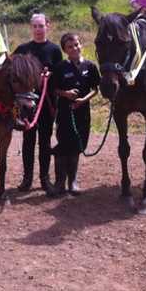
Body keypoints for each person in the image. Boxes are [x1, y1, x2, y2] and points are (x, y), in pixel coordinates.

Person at [13, 13, 62, 194]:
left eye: (41, 26)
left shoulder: (55, 50)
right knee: (28, 140)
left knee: (45, 140)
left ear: (48, 25)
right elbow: (13, 72)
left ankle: (44, 179)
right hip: (27, 104)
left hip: (47, 103)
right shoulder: (22, 49)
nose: (38, 29)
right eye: (35, 26)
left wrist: (51, 76)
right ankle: (27, 179)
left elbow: (60, 73)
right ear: (31, 27)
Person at [51, 33, 100, 196]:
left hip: (83, 113)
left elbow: (96, 89)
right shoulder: (60, 67)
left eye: (77, 44)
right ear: (65, 50)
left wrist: (83, 100)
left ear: (81, 45)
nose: (74, 48)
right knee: (63, 146)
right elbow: (54, 89)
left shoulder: (90, 66)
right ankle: (59, 183)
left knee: (77, 147)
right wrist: (66, 94)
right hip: (65, 113)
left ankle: (73, 182)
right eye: (70, 46)